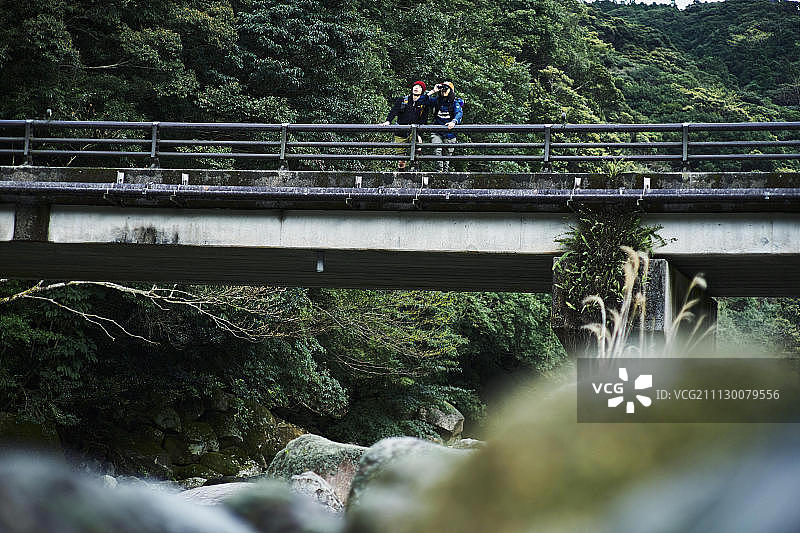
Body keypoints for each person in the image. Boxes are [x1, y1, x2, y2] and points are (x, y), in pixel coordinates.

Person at [381, 81, 429, 171]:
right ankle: (401, 174)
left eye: (419, 87)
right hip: (400, 131)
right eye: (415, 86)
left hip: (414, 131)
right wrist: (388, 121)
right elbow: (393, 111)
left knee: (418, 146)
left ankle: (415, 167)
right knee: (401, 159)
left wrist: (420, 132)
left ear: (422, 91)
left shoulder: (424, 104)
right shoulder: (403, 100)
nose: (416, 88)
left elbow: (424, 119)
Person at [420, 81, 463, 172]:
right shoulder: (436, 101)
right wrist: (433, 91)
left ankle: (445, 172)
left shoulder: (455, 103)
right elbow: (421, 100)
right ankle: (439, 170)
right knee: (437, 150)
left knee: (447, 154)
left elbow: (459, 113)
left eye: (446, 89)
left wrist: (454, 122)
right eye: (442, 88)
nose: (443, 90)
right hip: (437, 130)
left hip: (450, 132)